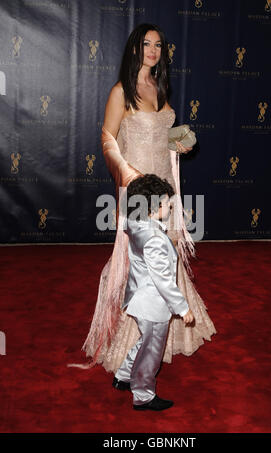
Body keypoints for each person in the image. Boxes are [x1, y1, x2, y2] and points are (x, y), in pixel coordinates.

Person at [68, 23, 216, 373]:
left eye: (158, 45)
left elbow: (159, 139)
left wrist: (176, 145)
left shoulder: (159, 88)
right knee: (140, 268)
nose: (153, 50)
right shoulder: (121, 91)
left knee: (166, 260)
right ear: (135, 48)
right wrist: (133, 181)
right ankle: (129, 350)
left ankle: (168, 335)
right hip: (138, 194)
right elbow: (108, 142)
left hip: (165, 190)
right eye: (146, 44)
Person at [113, 173, 194, 411]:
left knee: (144, 343)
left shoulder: (136, 225)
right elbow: (163, 280)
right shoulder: (155, 238)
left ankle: (122, 377)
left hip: (138, 299)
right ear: (151, 207)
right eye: (167, 203)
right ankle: (143, 395)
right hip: (152, 305)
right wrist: (183, 308)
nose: (170, 207)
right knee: (151, 353)